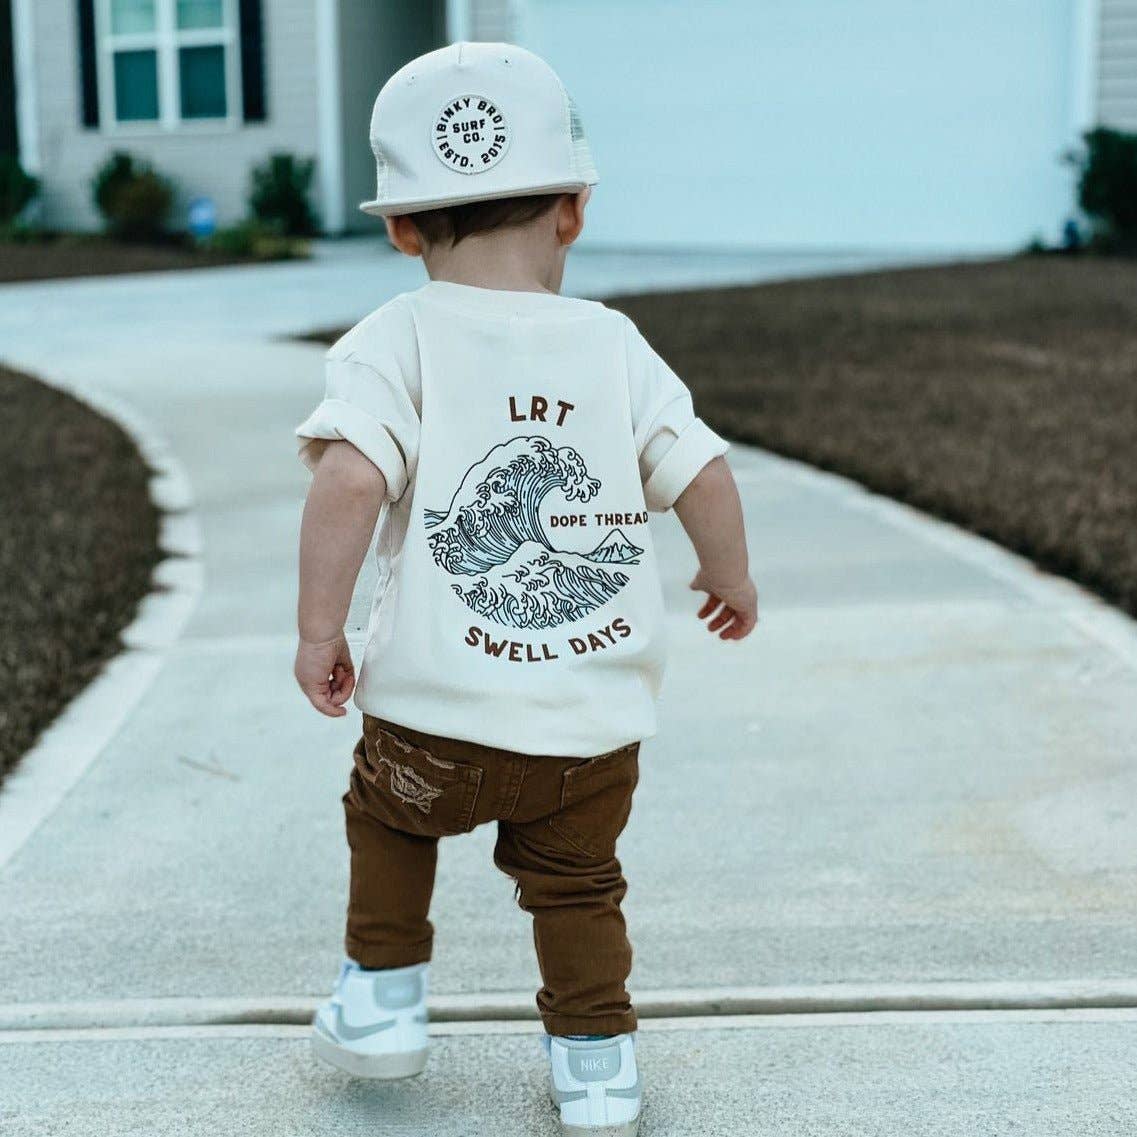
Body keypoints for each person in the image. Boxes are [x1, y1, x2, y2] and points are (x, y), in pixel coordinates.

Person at [293, 41, 758, 1136]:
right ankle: (596, 1064)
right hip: (587, 731)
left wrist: (321, 627)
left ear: (401, 225)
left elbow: (351, 478)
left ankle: (385, 1004)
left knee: (389, 822)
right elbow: (704, 470)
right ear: (574, 211)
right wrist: (726, 575)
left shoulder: (392, 338)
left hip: (431, 719)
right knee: (579, 885)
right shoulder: (616, 345)